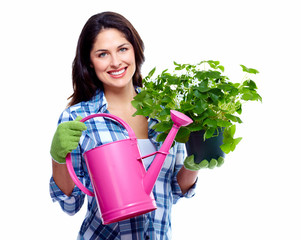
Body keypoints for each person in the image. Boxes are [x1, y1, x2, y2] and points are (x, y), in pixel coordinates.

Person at [49, 11, 199, 240]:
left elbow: (173, 191)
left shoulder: (165, 113)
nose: (116, 62)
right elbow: (70, 204)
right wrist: (58, 159)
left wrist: (195, 162)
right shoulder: (79, 118)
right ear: (90, 61)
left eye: (122, 49)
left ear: (135, 49)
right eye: (103, 54)